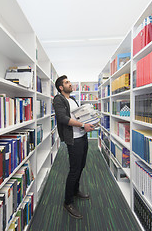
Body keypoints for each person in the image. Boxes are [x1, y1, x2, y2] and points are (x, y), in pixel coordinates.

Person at [53, 75, 95, 219]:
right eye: (67, 82)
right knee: (74, 169)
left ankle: (75, 190)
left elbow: (78, 116)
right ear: (60, 87)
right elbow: (62, 118)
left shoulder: (73, 99)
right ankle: (68, 202)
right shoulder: (58, 99)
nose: (70, 84)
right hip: (74, 140)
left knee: (81, 166)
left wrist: (89, 119)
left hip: (82, 136)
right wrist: (83, 125)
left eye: (69, 82)